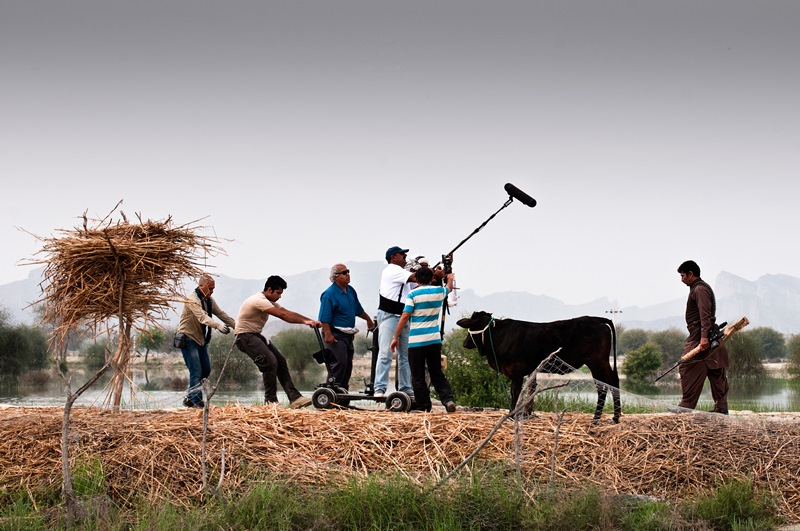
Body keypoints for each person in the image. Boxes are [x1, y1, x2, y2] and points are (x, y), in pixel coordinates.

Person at [234, 275, 319, 408]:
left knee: (280, 361)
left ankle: (295, 398)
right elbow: (283, 316)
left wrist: (310, 321)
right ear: (269, 290)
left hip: (255, 335)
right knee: (270, 362)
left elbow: (286, 311)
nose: (280, 296)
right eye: (278, 293)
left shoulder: (269, 301)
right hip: (244, 336)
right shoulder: (259, 300)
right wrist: (305, 322)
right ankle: (270, 402)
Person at [390, 266, 456, 412]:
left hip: (416, 342)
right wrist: (450, 277)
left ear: (417, 279)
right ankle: (448, 399)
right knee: (436, 373)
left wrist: (396, 336)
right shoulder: (439, 291)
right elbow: (449, 289)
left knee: (417, 376)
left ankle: (424, 406)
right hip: (434, 340)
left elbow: (405, 316)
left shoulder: (413, 294)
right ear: (432, 278)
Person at [675, 260, 730, 414]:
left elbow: (704, 315)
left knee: (687, 366)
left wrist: (704, 338)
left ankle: (686, 407)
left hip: (700, 335)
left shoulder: (699, 289)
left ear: (691, 274)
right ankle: (721, 407)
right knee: (714, 368)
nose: (682, 279)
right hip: (700, 334)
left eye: (683, 275)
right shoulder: (698, 288)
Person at [175, 275, 236, 408]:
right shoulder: (191, 300)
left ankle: (190, 398)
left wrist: (236, 326)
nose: (212, 291)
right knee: (196, 371)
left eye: (213, 288)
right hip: (188, 338)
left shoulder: (209, 300)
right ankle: (197, 402)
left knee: (206, 370)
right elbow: (202, 317)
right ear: (202, 286)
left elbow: (221, 314)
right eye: (210, 288)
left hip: (201, 340)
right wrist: (218, 326)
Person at [318, 264, 375, 393]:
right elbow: (324, 317)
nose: (348, 274)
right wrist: (328, 334)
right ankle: (330, 393)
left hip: (348, 334)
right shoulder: (329, 294)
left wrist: (368, 319)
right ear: (336, 277)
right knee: (339, 363)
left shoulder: (350, 290)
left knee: (348, 365)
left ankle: (342, 395)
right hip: (335, 334)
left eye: (348, 271)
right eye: (344, 273)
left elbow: (357, 309)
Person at [374, 246, 417, 397]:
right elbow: (415, 278)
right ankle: (379, 388)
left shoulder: (402, 273)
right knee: (386, 352)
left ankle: (406, 389)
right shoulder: (392, 269)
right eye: (402, 254)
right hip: (390, 315)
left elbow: (418, 284)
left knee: (405, 356)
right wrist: (426, 272)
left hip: (403, 316)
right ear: (393, 257)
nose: (405, 257)